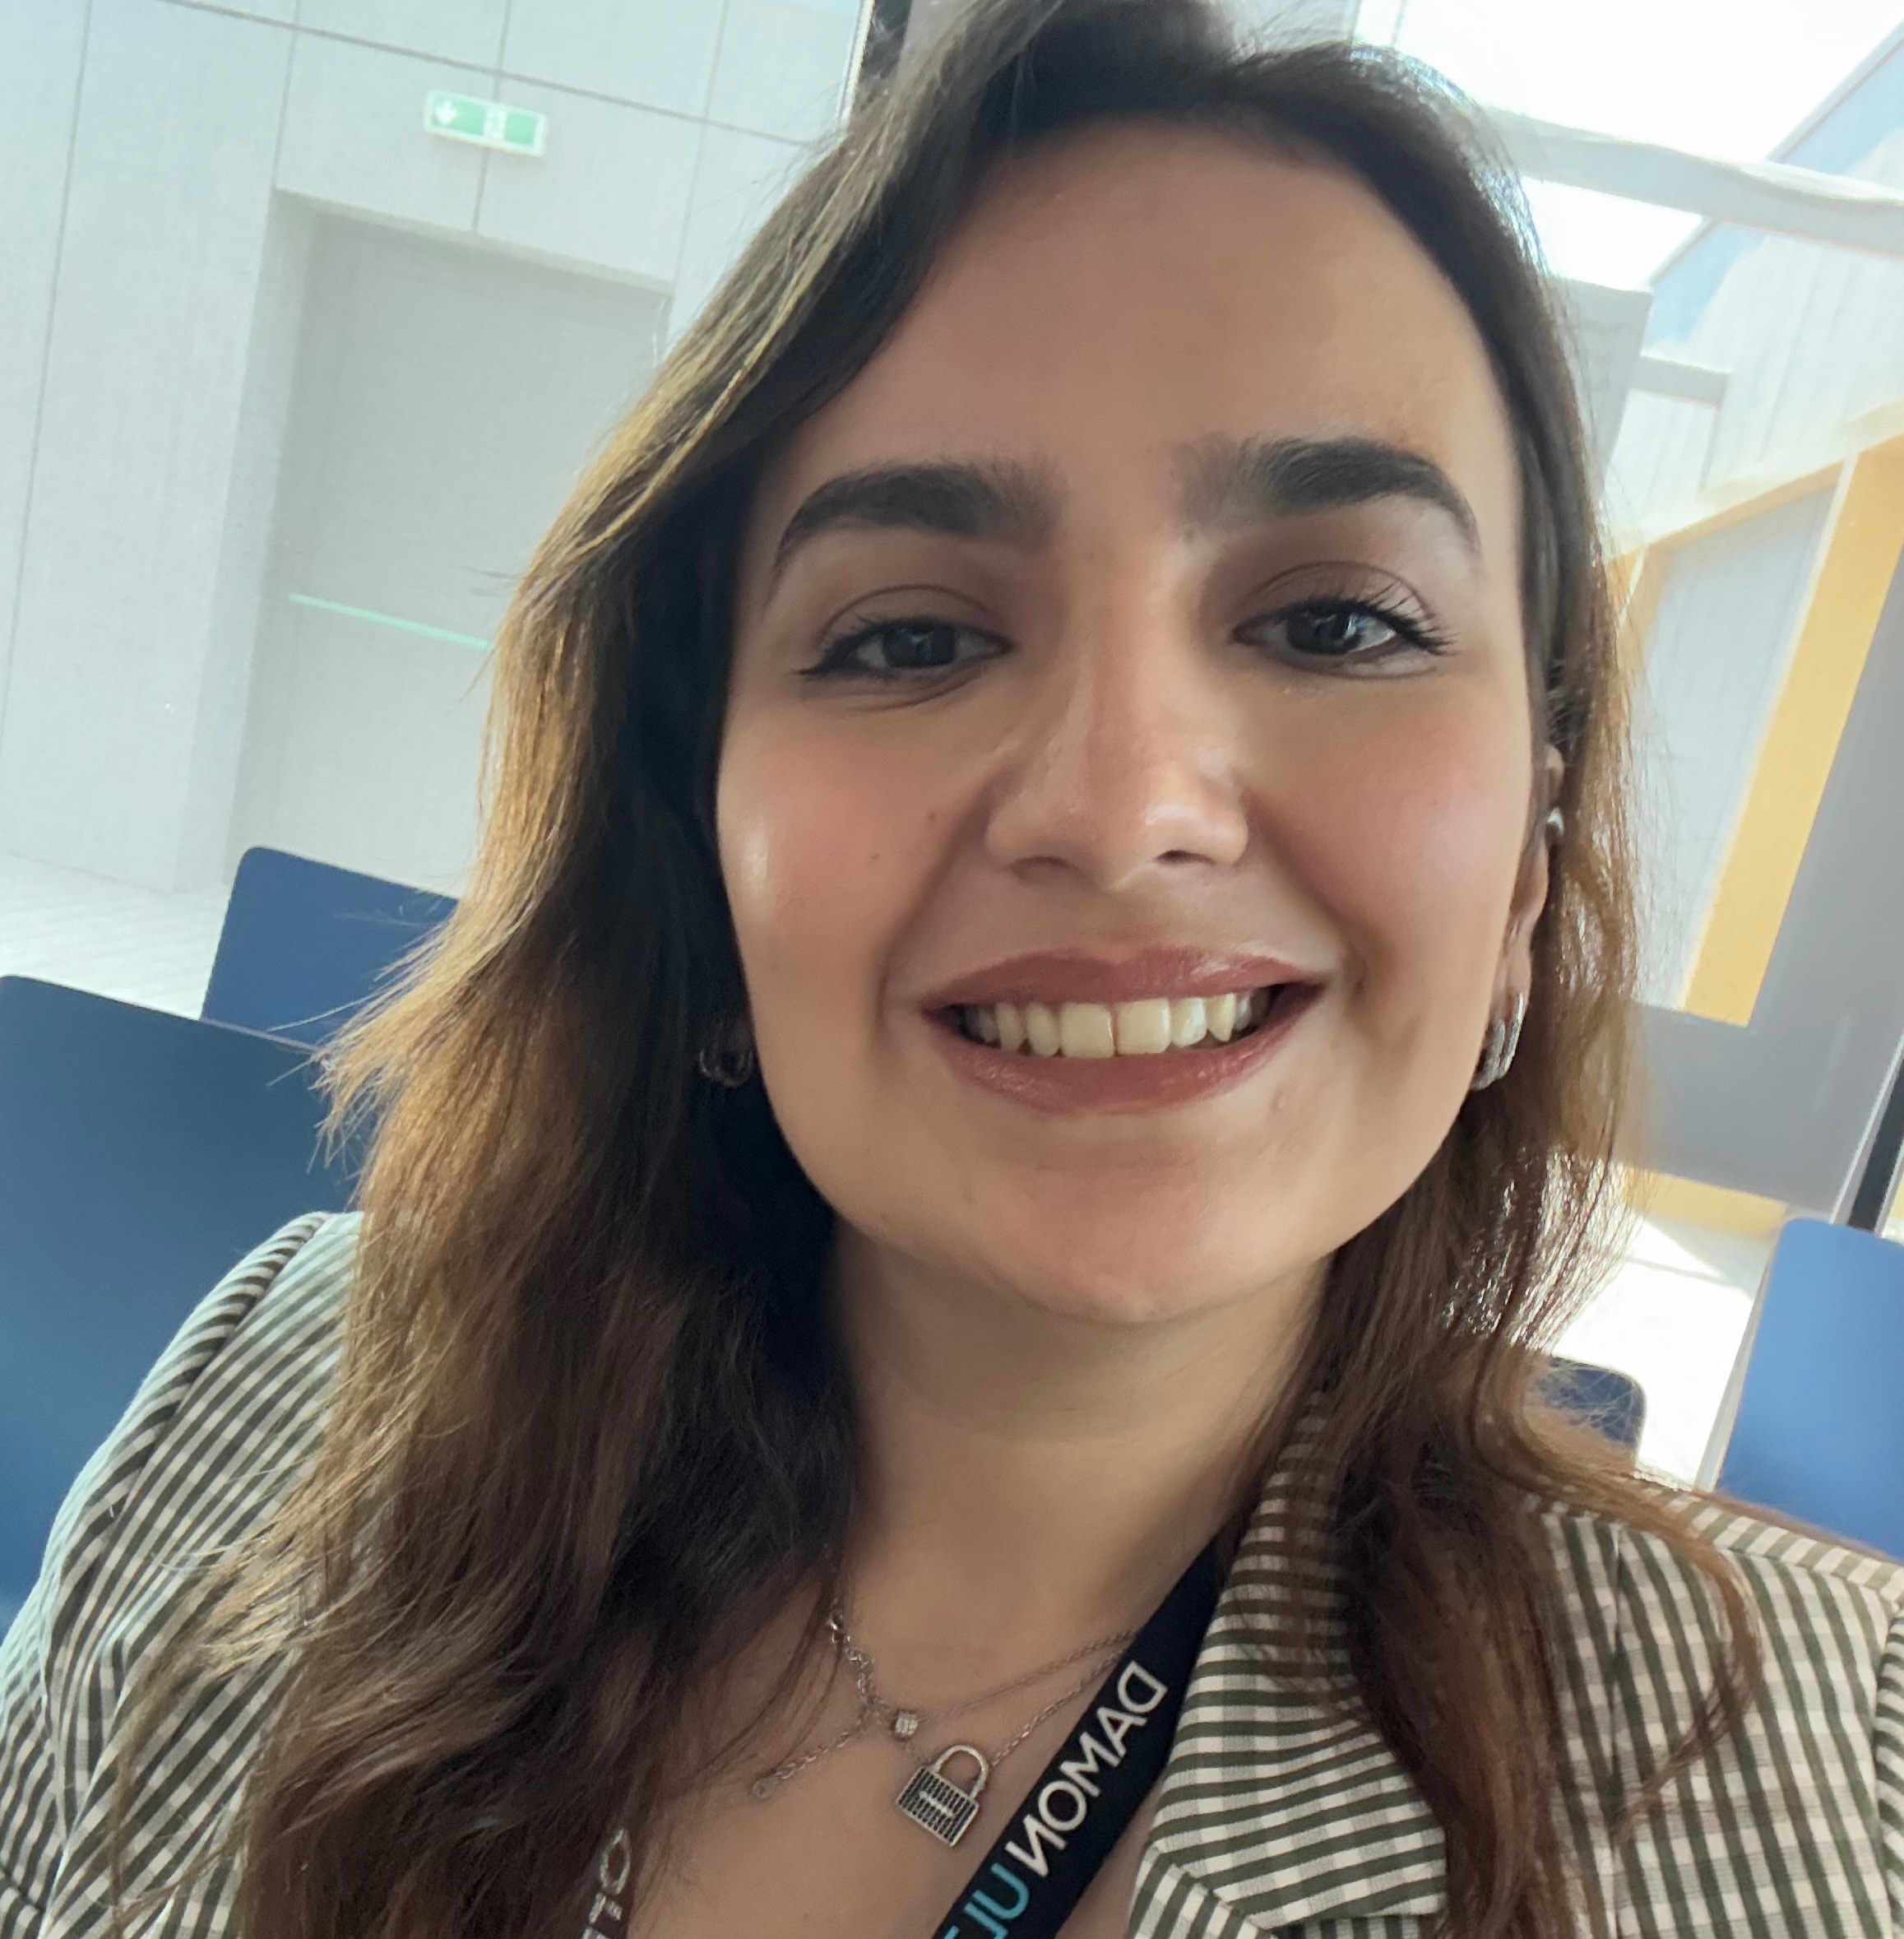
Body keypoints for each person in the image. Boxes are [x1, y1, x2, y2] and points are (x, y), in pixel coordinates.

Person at [2, 1, 1900, 1934]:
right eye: (909, 639)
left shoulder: (1847, 1792)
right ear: (698, 860)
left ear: (1526, 868)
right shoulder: (268, 1405)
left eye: (1337, 621)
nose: (1120, 807)